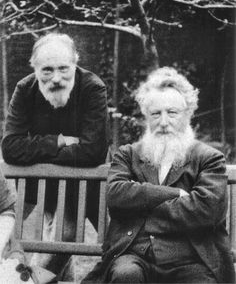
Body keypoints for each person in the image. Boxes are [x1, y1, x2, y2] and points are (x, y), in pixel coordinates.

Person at [82, 67, 235, 283]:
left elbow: (207, 211)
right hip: (135, 255)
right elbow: (116, 196)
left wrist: (141, 205)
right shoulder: (128, 154)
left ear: (188, 114)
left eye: (172, 113)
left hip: (191, 259)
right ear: (146, 117)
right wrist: (175, 194)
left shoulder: (209, 158)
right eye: (156, 114)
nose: (163, 122)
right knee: (125, 274)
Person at [1, 32, 109, 280]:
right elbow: (10, 147)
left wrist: (34, 153)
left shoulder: (93, 87)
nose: (57, 78)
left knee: (68, 236)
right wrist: (58, 142)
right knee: (9, 233)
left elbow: (93, 151)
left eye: (64, 69)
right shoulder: (25, 88)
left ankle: (29, 281)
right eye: (47, 70)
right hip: (38, 184)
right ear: (34, 68)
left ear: (76, 63)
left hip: (82, 185)